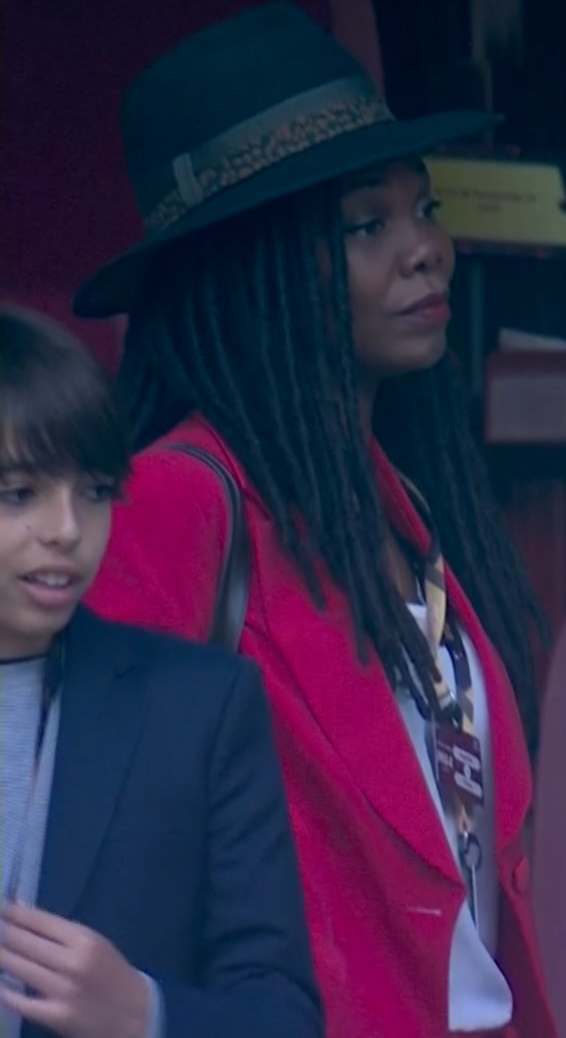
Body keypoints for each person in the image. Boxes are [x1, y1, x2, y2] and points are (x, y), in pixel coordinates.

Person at [74, 3, 555, 1038]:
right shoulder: (175, 501)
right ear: (255, 270)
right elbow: (98, 860)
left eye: (423, 209)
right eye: (366, 225)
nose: (425, 250)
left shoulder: (403, 509)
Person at [0, 304, 321, 1038]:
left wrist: (145, 1012)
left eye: (94, 491)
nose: (67, 530)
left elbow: (284, 1017)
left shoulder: (197, 710)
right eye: (19, 494)